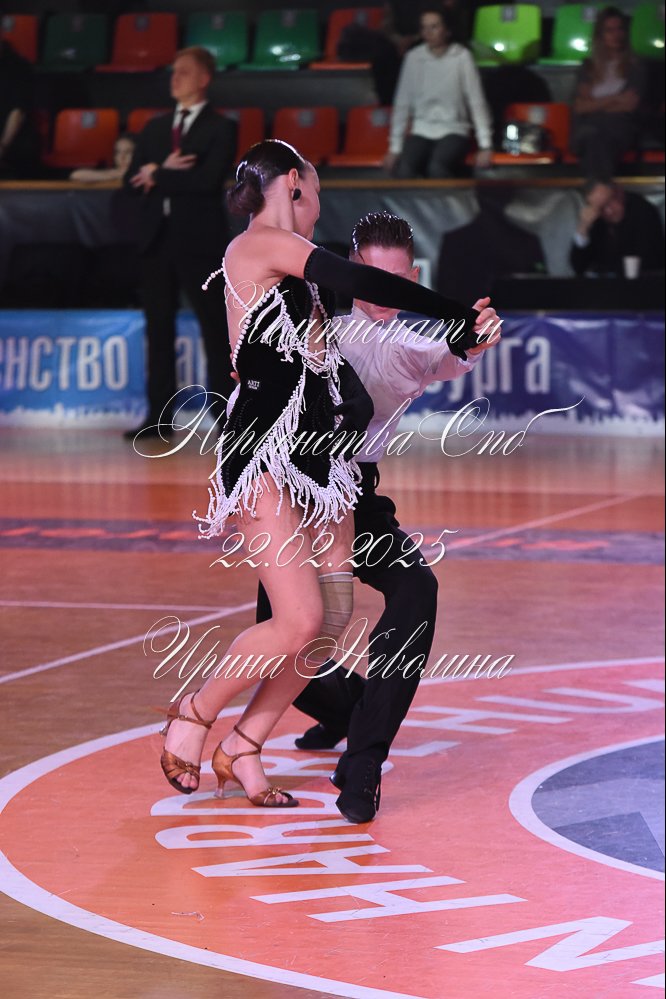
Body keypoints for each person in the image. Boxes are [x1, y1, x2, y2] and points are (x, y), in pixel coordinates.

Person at [158, 140, 491, 811]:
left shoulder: (303, 272)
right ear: (293, 184)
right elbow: (368, 285)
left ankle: (245, 744)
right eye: (316, 192)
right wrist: (453, 310)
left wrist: (457, 343)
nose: (319, 208)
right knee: (299, 617)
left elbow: (344, 354)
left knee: (329, 619)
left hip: (323, 463)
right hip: (266, 452)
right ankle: (194, 713)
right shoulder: (258, 245)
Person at [255, 211, 500, 823]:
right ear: (350, 270)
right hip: (290, 495)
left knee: (416, 588)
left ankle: (364, 758)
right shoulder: (312, 327)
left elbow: (442, 353)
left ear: (413, 279)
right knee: (283, 638)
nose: (385, 292)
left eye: (397, 280)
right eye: (372, 277)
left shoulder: (406, 345)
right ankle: (348, 710)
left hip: (356, 498)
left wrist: (468, 340)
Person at [123, 46, 237, 439]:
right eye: (173, 71)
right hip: (157, 239)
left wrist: (157, 173)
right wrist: (162, 171)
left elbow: (207, 181)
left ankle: (225, 416)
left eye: (184, 72)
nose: (175, 78)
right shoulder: (154, 127)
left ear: (204, 78)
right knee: (158, 330)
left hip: (200, 240)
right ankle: (159, 417)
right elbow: (130, 182)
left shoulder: (221, 127)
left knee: (214, 329)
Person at [384, 6, 493, 178]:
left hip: (454, 130)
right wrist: (394, 148)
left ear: (447, 30)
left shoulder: (462, 57)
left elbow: (476, 101)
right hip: (421, 130)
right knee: (405, 169)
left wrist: (485, 145)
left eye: (434, 26)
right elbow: (402, 103)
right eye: (424, 27)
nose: (428, 32)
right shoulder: (414, 57)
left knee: (437, 167)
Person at [570, 6, 647, 182]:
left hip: (619, 128)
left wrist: (594, 104)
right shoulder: (588, 67)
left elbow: (629, 106)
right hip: (588, 130)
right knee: (594, 137)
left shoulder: (636, 67)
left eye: (619, 29)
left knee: (597, 139)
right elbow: (580, 107)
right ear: (600, 35)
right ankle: (603, 191)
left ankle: (597, 192)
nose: (616, 35)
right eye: (609, 30)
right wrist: (616, 99)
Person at [570, 180, 665, 276]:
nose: (608, 211)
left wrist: (604, 268)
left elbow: (651, 261)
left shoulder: (643, 211)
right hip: (605, 283)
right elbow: (578, 266)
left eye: (609, 202)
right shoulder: (596, 218)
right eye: (600, 207)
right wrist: (583, 228)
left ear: (620, 195)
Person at [0, 37, 40, 179]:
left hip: (14, 140)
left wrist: (3, 146)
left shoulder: (18, 67)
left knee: (24, 149)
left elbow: (17, 112)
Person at [69, 133, 136, 184]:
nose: (122, 157)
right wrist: (115, 175)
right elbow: (76, 175)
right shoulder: (113, 173)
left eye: (128, 152)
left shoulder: (140, 174)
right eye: (118, 152)